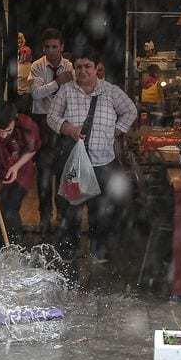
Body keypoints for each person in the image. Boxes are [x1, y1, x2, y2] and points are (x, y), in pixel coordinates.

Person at [46, 49, 137, 264]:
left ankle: (99, 251)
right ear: (74, 69)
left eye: (87, 66)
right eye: (78, 67)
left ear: (96, 68)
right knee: (72, 210)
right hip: (75, 164)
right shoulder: (67, 91)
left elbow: (130, 111)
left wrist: (115, 131)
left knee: (101, 211)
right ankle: (69, 252)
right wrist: (69, 129)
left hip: (104, 162)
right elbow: (51, 117)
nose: (83, 70)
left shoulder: (111, 91)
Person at [0, 100, 39, 253]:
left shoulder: (26, 124)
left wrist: (16, 167)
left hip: (20, 171)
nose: (3, 135)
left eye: (8, 130)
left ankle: (15, 248)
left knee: (10, 208)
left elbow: (32, 148)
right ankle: (0, 245)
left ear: (14, 119)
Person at [29, 27, 74, 237]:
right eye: (47, 47)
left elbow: (73, 95)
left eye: (55, 46)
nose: (51, 51)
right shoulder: (37, 66)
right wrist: (57, 82)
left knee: (64, 172)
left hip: (64, 123)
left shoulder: (70, 67)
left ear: (62, 47)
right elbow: (36, 94)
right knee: (44, 175)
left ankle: (63, 215)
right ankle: (44, 216)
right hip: (44, 122)